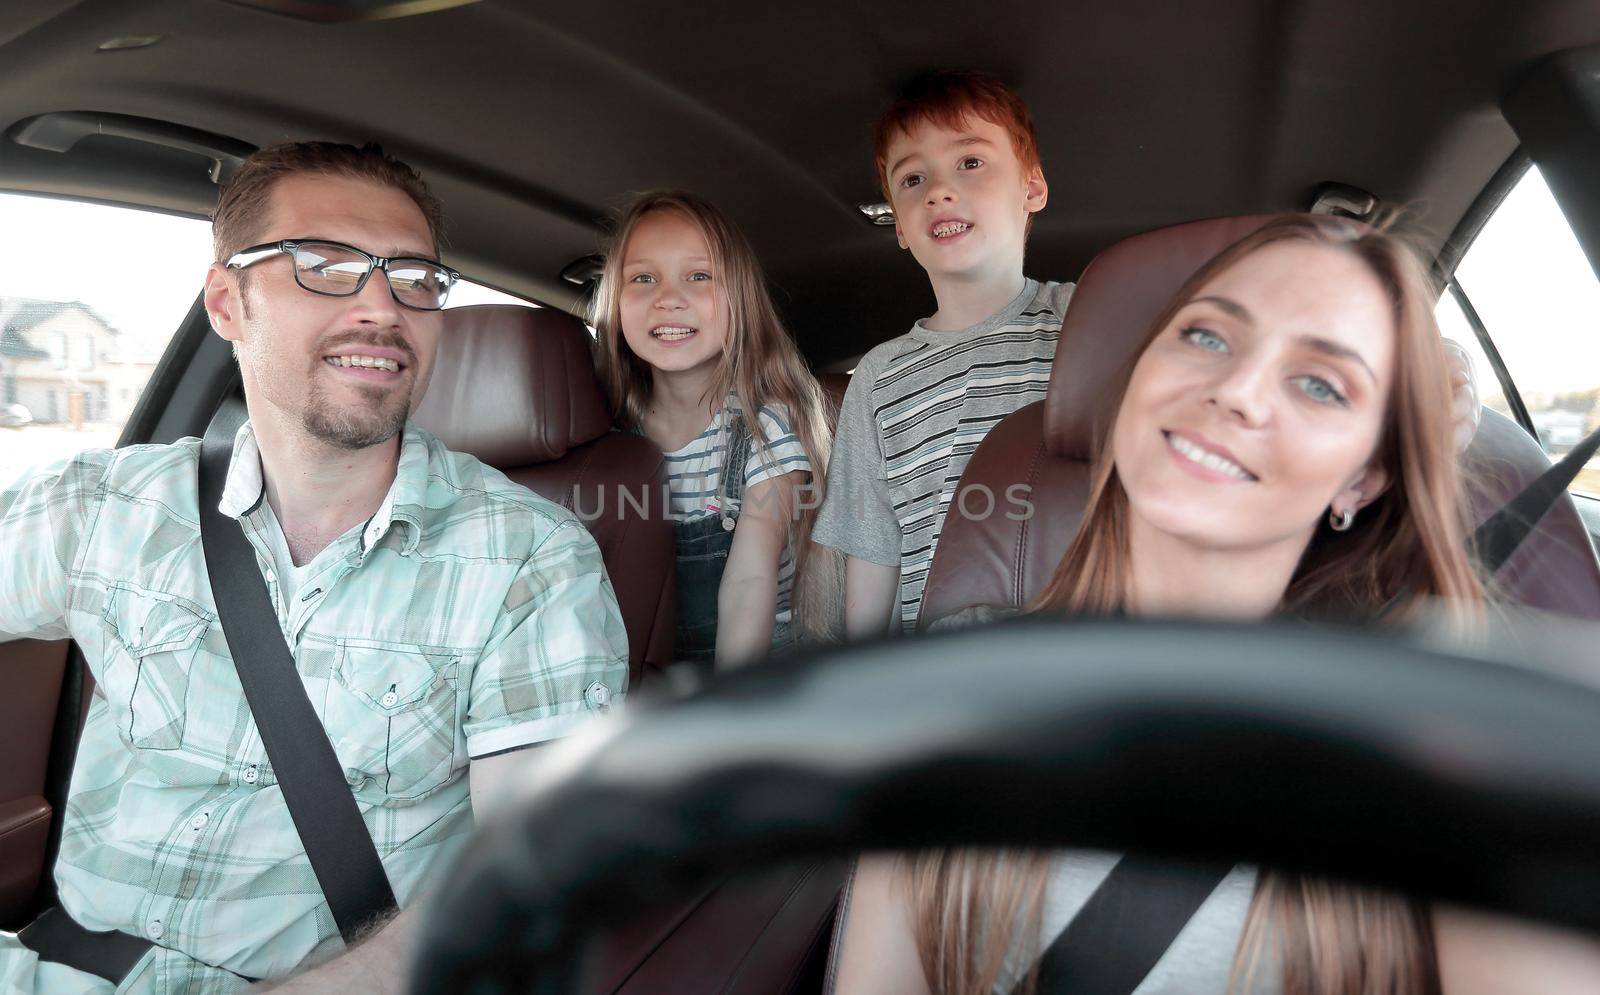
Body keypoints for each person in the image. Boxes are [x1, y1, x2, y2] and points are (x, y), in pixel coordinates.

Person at [828, 215, 1600, 994]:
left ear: (1360, 480)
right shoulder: (942, 700)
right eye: (1206, 337)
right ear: (1135, 377)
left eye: (1320, 385)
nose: (1236, 391)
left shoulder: (1436, 756)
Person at [0, 141, 628, 992]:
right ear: (226, 301)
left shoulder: (530, 561)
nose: (383, 307)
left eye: (414, 279)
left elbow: (531, 880)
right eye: (325, 265)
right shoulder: (97, 504)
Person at [812, 69, 1074, 637]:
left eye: (971, 163)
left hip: (1077, 642)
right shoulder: (879, 376)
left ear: (1032, 188)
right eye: (911, 180)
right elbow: (874, 549)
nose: (938, 191)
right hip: (942, 667)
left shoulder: (1083, 320)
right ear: (901, 228)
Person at [591, 190, 838, 670]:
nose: (667, 299)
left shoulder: (763, 425)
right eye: (643, 278)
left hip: (760, 664)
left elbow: (751, 577)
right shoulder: (608, 428)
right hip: (650, 666)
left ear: (739, 299)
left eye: (699, 276)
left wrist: (727, 706)